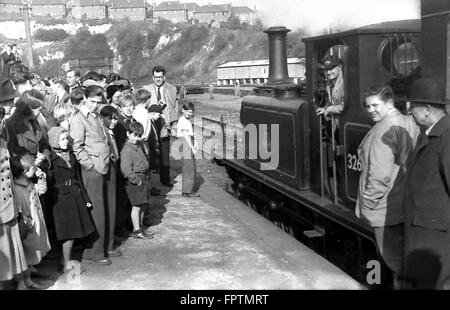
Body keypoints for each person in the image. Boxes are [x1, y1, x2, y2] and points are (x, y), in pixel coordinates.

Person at [356, 85, 418, 289]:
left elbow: (379, 176)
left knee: (394, 261)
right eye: (367, 106)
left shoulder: (384, 130)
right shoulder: (408, 122)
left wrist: (368, 204)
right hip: (403, 202)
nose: (370, 110)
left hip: (385, 209)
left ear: (389, 103)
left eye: (375, 105)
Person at [402, 78, 450, 289]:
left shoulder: (446, 139)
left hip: (434, 236)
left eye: (413, 107)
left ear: (427, 109)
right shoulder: (430, 135)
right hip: (424, 231)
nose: (410, 112)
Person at [70, 85, 115, 265]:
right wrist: (89, 165)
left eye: (99, 102)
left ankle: (108, 245)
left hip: (105, 165)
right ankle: (94, 251)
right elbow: (76, 146)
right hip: (94, 170)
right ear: (85, 100)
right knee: (97, 211)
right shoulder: (78, 119)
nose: (97, 105)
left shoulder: (95, 115)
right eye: (93, 102)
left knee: (108, 207)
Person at [47, 127, 96, 272]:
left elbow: (77, 178)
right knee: (67, 233)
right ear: (54, 141)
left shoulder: (70, 155)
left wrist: (85, 197)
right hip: (60, 198)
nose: (65, 141)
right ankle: (65, 263)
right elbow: (49, 183)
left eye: (66, 138)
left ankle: (65, 260)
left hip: (74, 195)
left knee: (74, 231)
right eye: (62, 139)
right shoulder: (50, 159)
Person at [11, 153, 51, 289]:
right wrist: (27, 222)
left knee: (30, 257)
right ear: (25, 171)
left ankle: (27, 280)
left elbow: (43, 190)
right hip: (28, 227)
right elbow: (19, 210)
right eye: (34, 167)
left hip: (35, 225)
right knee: (23, 257)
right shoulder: (17, 190)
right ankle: (21, 283)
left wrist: (41, 177)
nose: (36, 168)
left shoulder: (30, 184)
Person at [0, 123, 28, 289]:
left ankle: (20, 282)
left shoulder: (3, 142)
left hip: (9, 203)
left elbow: (9, 174)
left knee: (14, 245)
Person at [144, 65, 178, 187]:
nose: (158, 79)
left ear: (164, 77)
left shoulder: (172, 89)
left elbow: (175, 107)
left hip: (165, 125)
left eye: (160, 77)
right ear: (153, 77)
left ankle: (165, 179)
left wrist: (174, 125)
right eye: (156, 77)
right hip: (151, 124)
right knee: (151, 153)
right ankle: (151, 183)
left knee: (164, 152)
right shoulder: (146, 89)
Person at [120, 121, 154, 239]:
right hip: (136, 180)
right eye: (134, 135)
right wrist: (137, 180)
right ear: (128, 134)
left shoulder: (138, 146)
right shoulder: (127, 150)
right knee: (136, 206)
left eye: (139, 136)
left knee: (143, 204)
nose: (136, 138)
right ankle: (137, 230)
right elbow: (126, 170)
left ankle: (141, 225)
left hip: (143, 177)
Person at [177, 102, 199, 198]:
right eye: (187, 112)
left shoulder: (187, 120)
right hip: (185, 143)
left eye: (191, 112)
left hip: (188, 142)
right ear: (183, 110)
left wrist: (196, 143)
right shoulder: (182, 120)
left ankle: (187, 189)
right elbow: (185, 135)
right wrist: (192, 147)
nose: (189, 114)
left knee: (190, 166)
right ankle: (187, 190)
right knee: (188, 168)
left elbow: (191, 134)